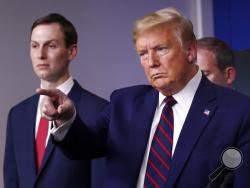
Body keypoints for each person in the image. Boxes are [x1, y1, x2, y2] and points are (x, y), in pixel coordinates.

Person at [38, 8, 250, 187]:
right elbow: (82, 146)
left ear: (190, 51)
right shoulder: (125, 102)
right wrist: (65, 119)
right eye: (143, 53)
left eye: (161, 49)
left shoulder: (238, 112)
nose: (152, 62)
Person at [4, 13, 108, 188]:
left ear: (71, 51)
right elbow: (12, 181)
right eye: (35, 46)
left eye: (51, 46)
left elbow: (100, 182)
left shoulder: (100, 111)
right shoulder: (17, 114)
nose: (41, 54)